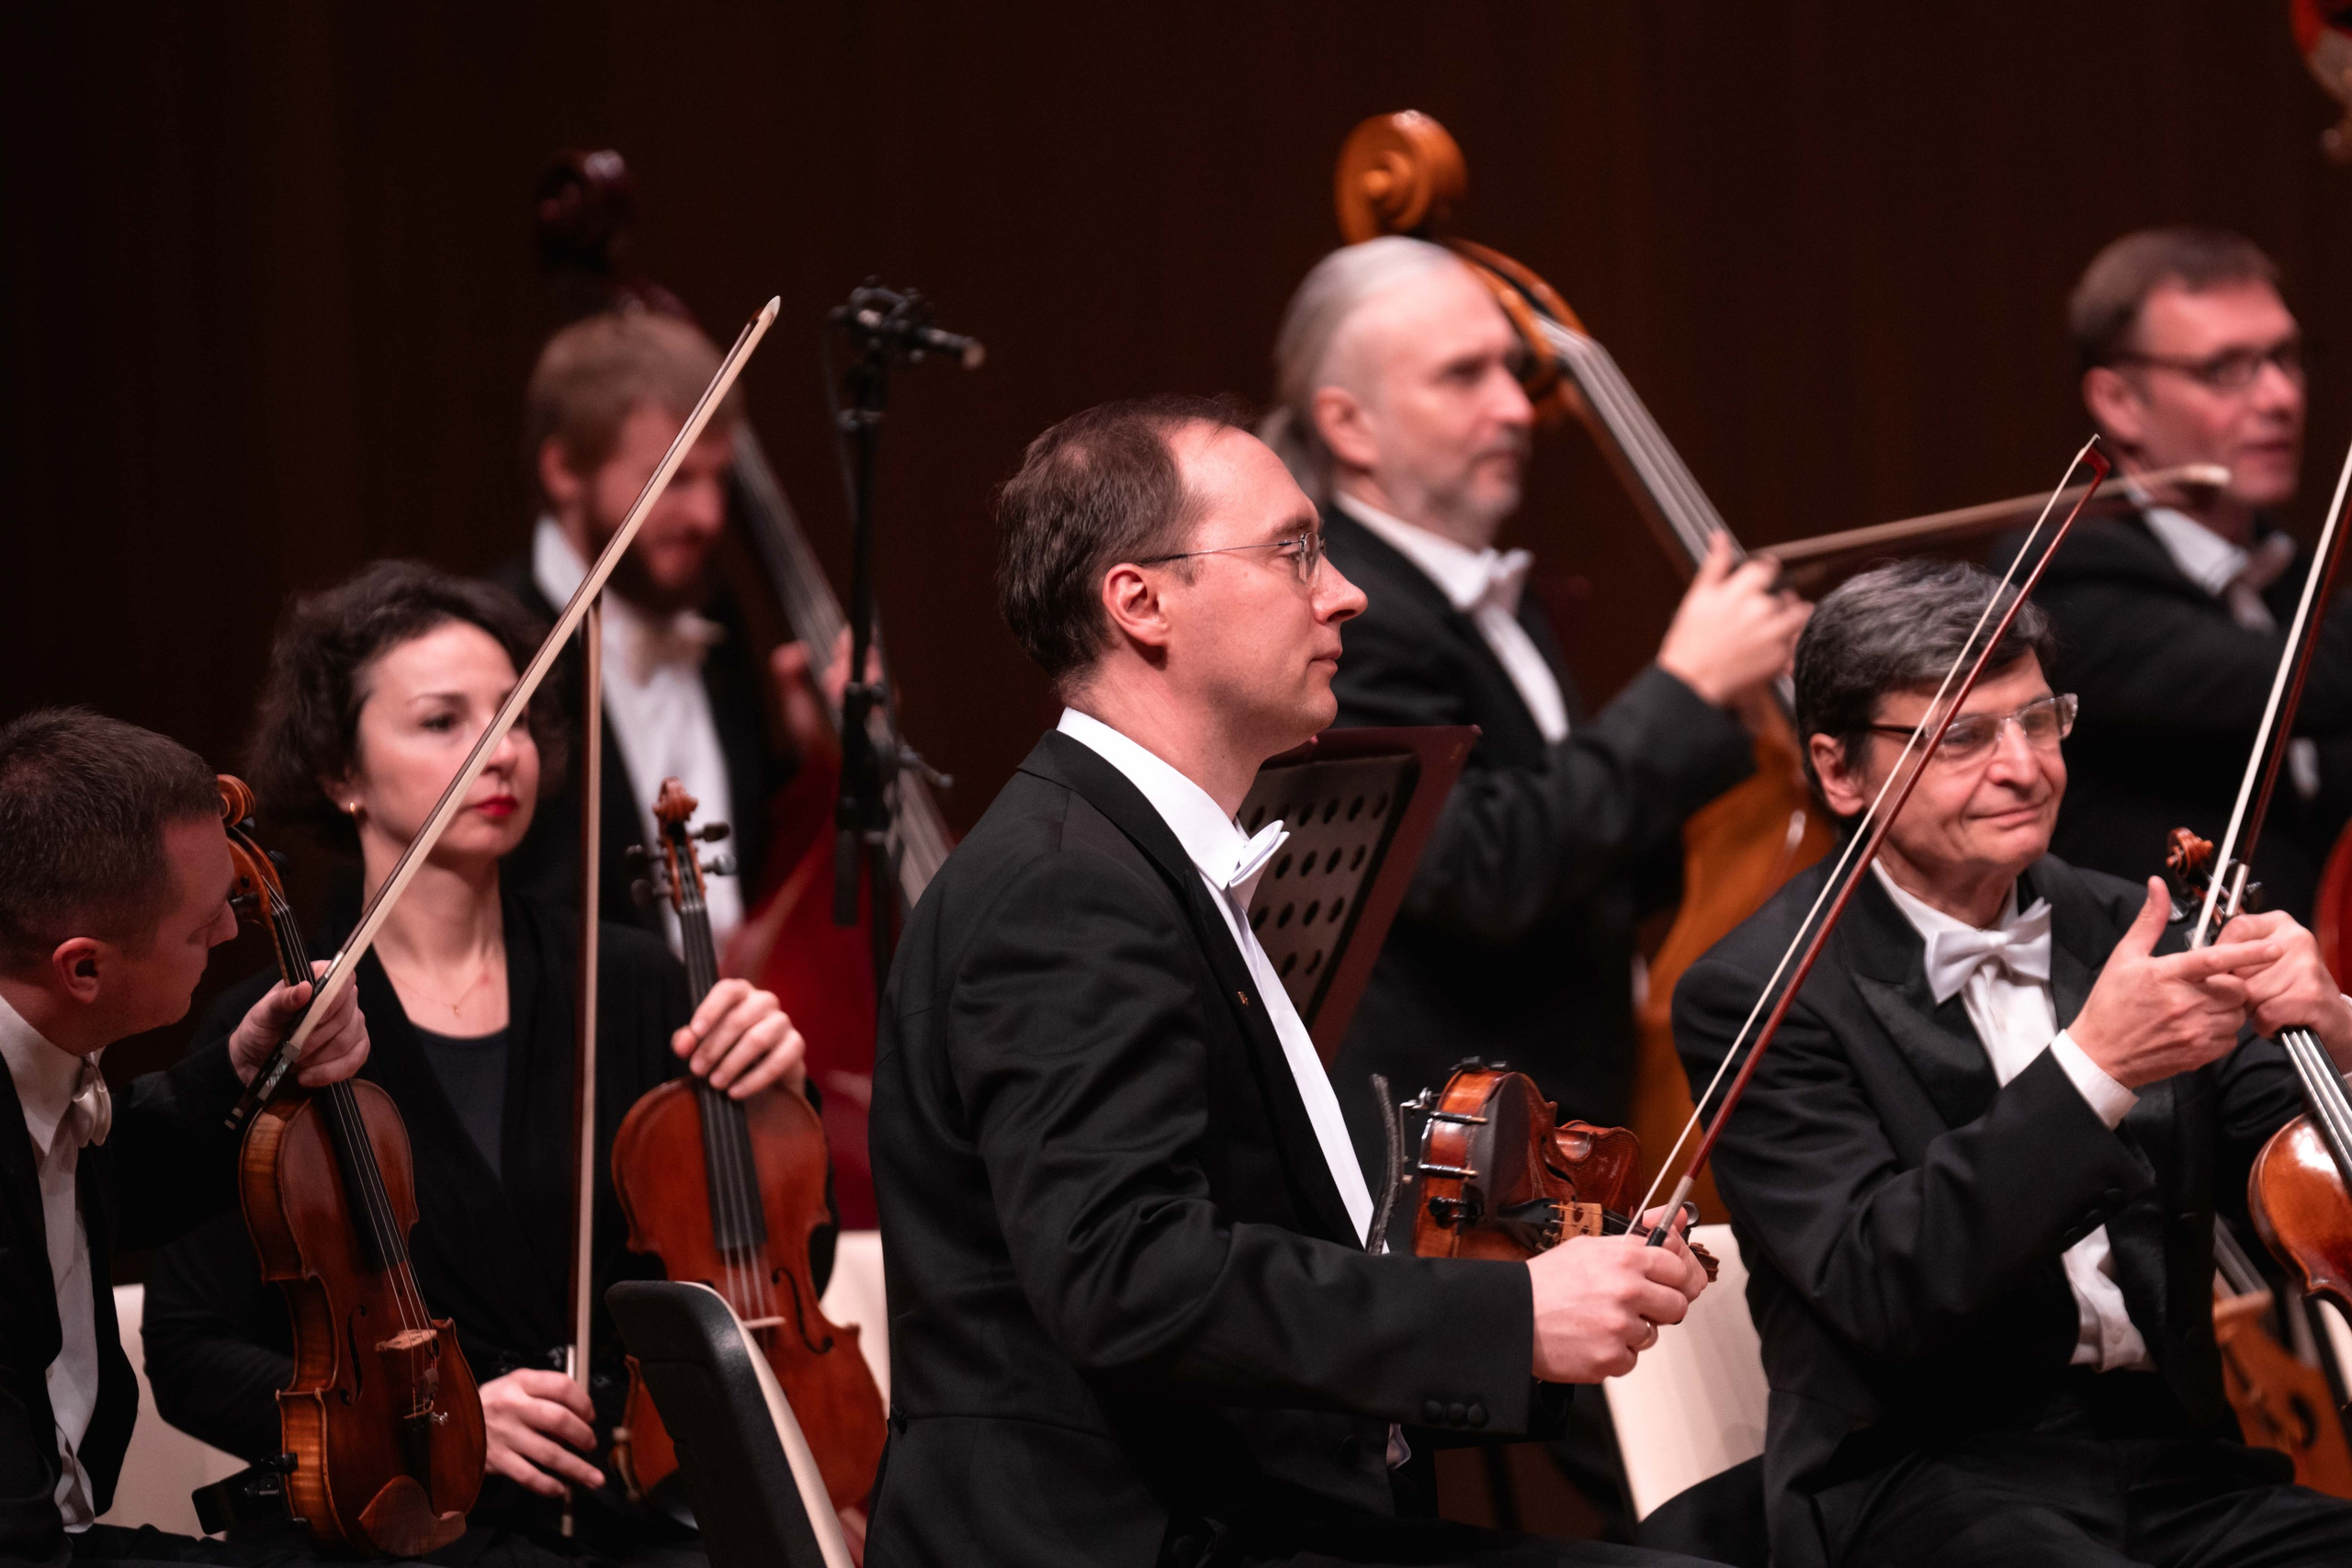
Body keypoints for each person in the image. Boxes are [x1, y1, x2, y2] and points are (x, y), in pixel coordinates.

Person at [868, 395, 1713, 1568]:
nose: (1346, 592)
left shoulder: (1136, 860)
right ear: (1139, 601)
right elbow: (1130, 1277)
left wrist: (1556, 1275)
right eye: (1295, 552)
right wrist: (1509, 1318)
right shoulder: (1066, 890)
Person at [1674, 558, 2352, 1567]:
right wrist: (2093, 1066)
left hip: (2177, 1466)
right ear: (1838, 770)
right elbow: (1883, 1284)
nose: (2023, 766)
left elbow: (2297, 1170)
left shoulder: (2140, 926)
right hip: (1920, 1485)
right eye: (1960, 737)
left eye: (2038, 720)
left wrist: (2334, 1036)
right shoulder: (1760, 994)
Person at [138, 563, 815, 1566]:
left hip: (624, 1510)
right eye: (441, 722)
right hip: (408, 1529)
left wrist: (773, 1107)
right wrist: (444, 1421)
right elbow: (191, 1355)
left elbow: (760, 1269)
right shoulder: (275, 1034)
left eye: (514, 715)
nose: (500, 750)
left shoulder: (624, 980)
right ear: (340, 772)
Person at [1260, 236, 1810, 1166]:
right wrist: (1683, 692)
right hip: (1447, 1159)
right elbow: (1479, 870)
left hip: (1543, 1132)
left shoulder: (1487, 601)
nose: (1518, 408)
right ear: (1350, 426)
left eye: (1514, 373)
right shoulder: (1336, 615)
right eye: (1463, 377)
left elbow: (1586, 862)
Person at [0, 708, 369, 1564]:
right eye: (202, 925)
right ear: (83, 967)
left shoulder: (40, 1066)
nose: (232, 933)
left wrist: (242, 1069)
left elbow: (94, 1175)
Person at [1994, 226, 2352, 919]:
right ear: (2118, 400)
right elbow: (2294, 685)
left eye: (2286, 357)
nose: (2279, 395)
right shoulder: (2061, 574)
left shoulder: (2294, 567)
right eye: (2225, 369)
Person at [494, 310, 842, 955]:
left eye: (720, 478)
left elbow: (750, 869)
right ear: (564, 469)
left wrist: (814, 756)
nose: (710, 515)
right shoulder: (493, 652)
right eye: (674, 478)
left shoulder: (716, 611)